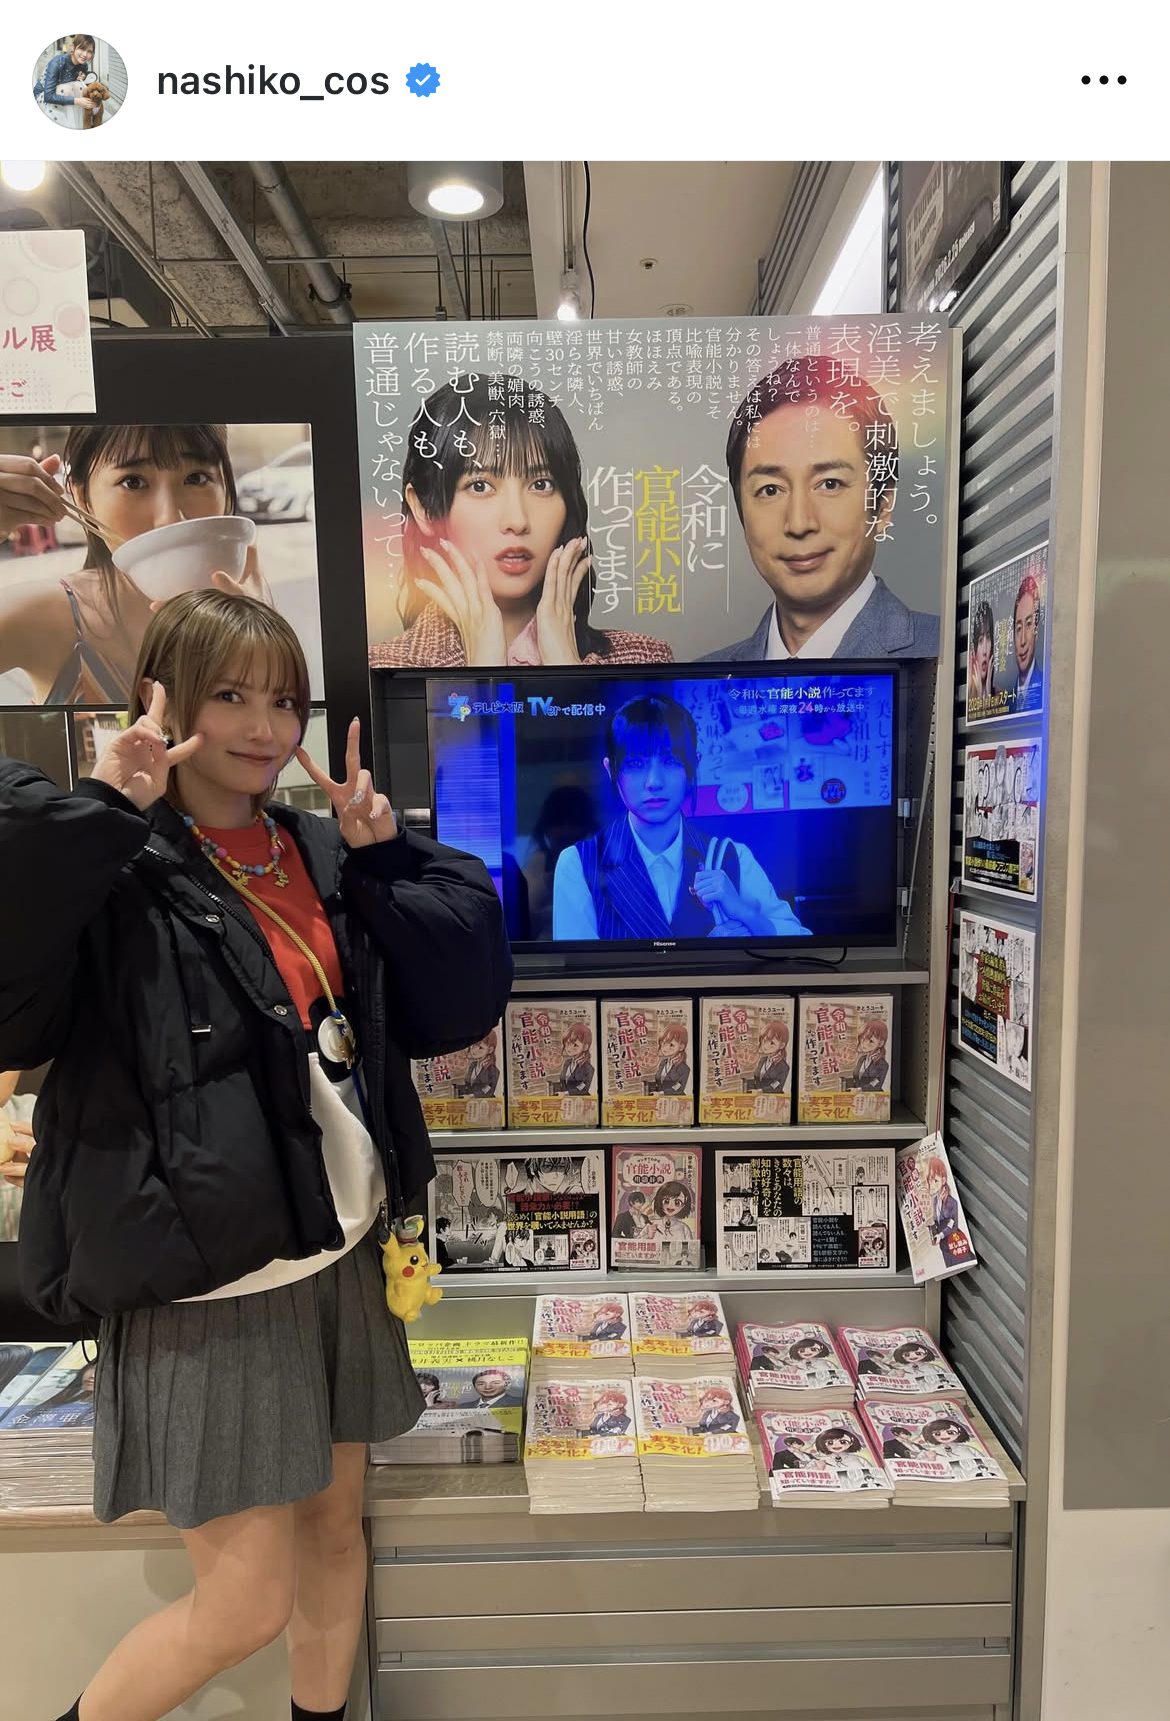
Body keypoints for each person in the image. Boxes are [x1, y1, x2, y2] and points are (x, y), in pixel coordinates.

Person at [0, 588, 511, 1721]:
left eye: (283, 700)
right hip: (207, 1283)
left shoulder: (317, 848)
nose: (263, 726)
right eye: (230, 694)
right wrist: (103, 808)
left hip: (336, 1249)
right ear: (166, 698)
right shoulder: (115, 861)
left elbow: (458, 1000)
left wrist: (386, 859)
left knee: (334, 1534)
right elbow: (13, 990)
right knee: (241, 1606)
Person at [369, 376, 673, 669]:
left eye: (541, 484)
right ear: (424, 510)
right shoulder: (382, 668)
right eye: (480, 486)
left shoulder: (645, 661)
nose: (517, 521)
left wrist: (568, 672)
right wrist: (482, 677)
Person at [0, 425, 269, 704]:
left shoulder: (249, 600)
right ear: (83, 499)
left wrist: (262, 639)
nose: (170, 517)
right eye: (133, 482)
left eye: (196, 478)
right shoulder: (48, 616)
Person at [704, 356, 940, 662]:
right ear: (741, 512)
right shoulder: (703, 676)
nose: (799, 523)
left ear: (883, 505)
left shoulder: (947, 655)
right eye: (770, 489)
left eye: (830, 484)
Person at [552, 693, 809, 941]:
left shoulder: (729, 857)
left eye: (670, 761)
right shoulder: (579, 863)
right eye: (636, 764)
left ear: (693, 765)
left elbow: (801, 943)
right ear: (611, 770)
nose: (654, 782)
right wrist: (705, 955)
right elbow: (578, 966)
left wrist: (745, 913)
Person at [521, 785, 600, 942]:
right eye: (561, 841)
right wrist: (546, 882)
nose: (566, 829)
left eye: (574, 840)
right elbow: (524, 920)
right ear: (546, 830)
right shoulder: (539, 862)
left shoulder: (599, 864)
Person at [33, 35, 97, 126]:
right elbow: (48, 96)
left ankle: (76, 123)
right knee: (66, 89)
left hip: (62, 94)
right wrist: (78, 101)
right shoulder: (57, 62)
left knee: (79, 86)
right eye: (82, 49)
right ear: (73, 47)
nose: (85, 54)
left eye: (89, 51)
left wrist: (79, 78)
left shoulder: (83, 65)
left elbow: (71, 82)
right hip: (43, 98)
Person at [1008, 571, 1043, 710]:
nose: (1022, 641)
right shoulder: (1006, 702)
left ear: (1036, 630)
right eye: (1018, 628)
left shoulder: (1045, 689)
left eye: (1028, 624)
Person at [744, 1018, 790, 1092]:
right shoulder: (762, 1060)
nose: (765, 1046)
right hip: (758, 1096)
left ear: (781, 1045)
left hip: (773, 1097)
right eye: (764, 1041)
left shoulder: (783, 1067)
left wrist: (760, 1091)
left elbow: (777, 1086)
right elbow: (757, 1079)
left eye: (772, 1043)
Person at [844, 1019, 890, 1092]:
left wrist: (859, 1090)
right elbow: (857, 1078)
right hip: (858, 1095)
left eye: (870, 1041)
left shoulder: (882, 1064)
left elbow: (876, 1084)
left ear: (880, 1043)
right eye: (863, 1039)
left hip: (874, 1096)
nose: (864, 1044)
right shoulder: (862, 1059)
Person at [925, 1156, 960, 1245]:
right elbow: (938, 1222)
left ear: (943, 1180)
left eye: (935, 1181)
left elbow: (953, 1226)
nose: (932, 1185)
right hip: (942, 1244)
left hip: (954, 1243)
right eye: (929, 1180)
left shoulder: (952, 1203)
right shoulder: (935, 1200)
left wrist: (941, 1235)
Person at [454, 1030, 500, 1098]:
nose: (474, 1050)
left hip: (485, 1102)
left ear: (490, 1050)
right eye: (473, 1045)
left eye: (480, 1048)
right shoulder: (473, 1065)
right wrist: (456, 1087)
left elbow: (488, 1089)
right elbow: (469, 1086)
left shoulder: (492, 1070)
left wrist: (473, 1095)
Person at [553, 1022, 594, 1095]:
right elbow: (564, 1082)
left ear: (585, 1047)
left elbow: (582, 1089)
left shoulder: (588, 1068)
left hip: (581, 1100)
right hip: (565, 1099)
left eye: (575, 1045)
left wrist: (566, 1093)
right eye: (567, 1043)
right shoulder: (567, 1062)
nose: (569, 1048)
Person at [967, 599, 995, 706]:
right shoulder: (966, 698)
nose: (984, 651)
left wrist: (988, 698)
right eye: (980, 640)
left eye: (988, 638)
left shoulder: (1001, 695)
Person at [649, 1024, 690, 1095]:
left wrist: (661, 1093)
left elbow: (678, 1088)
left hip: (676, 1099)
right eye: (664, 1043)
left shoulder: (684, 1068)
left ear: (681, 1047)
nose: (665, 1048)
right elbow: (660, 1082)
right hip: (660, 1098)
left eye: (671, 1045)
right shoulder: (663, 1062)